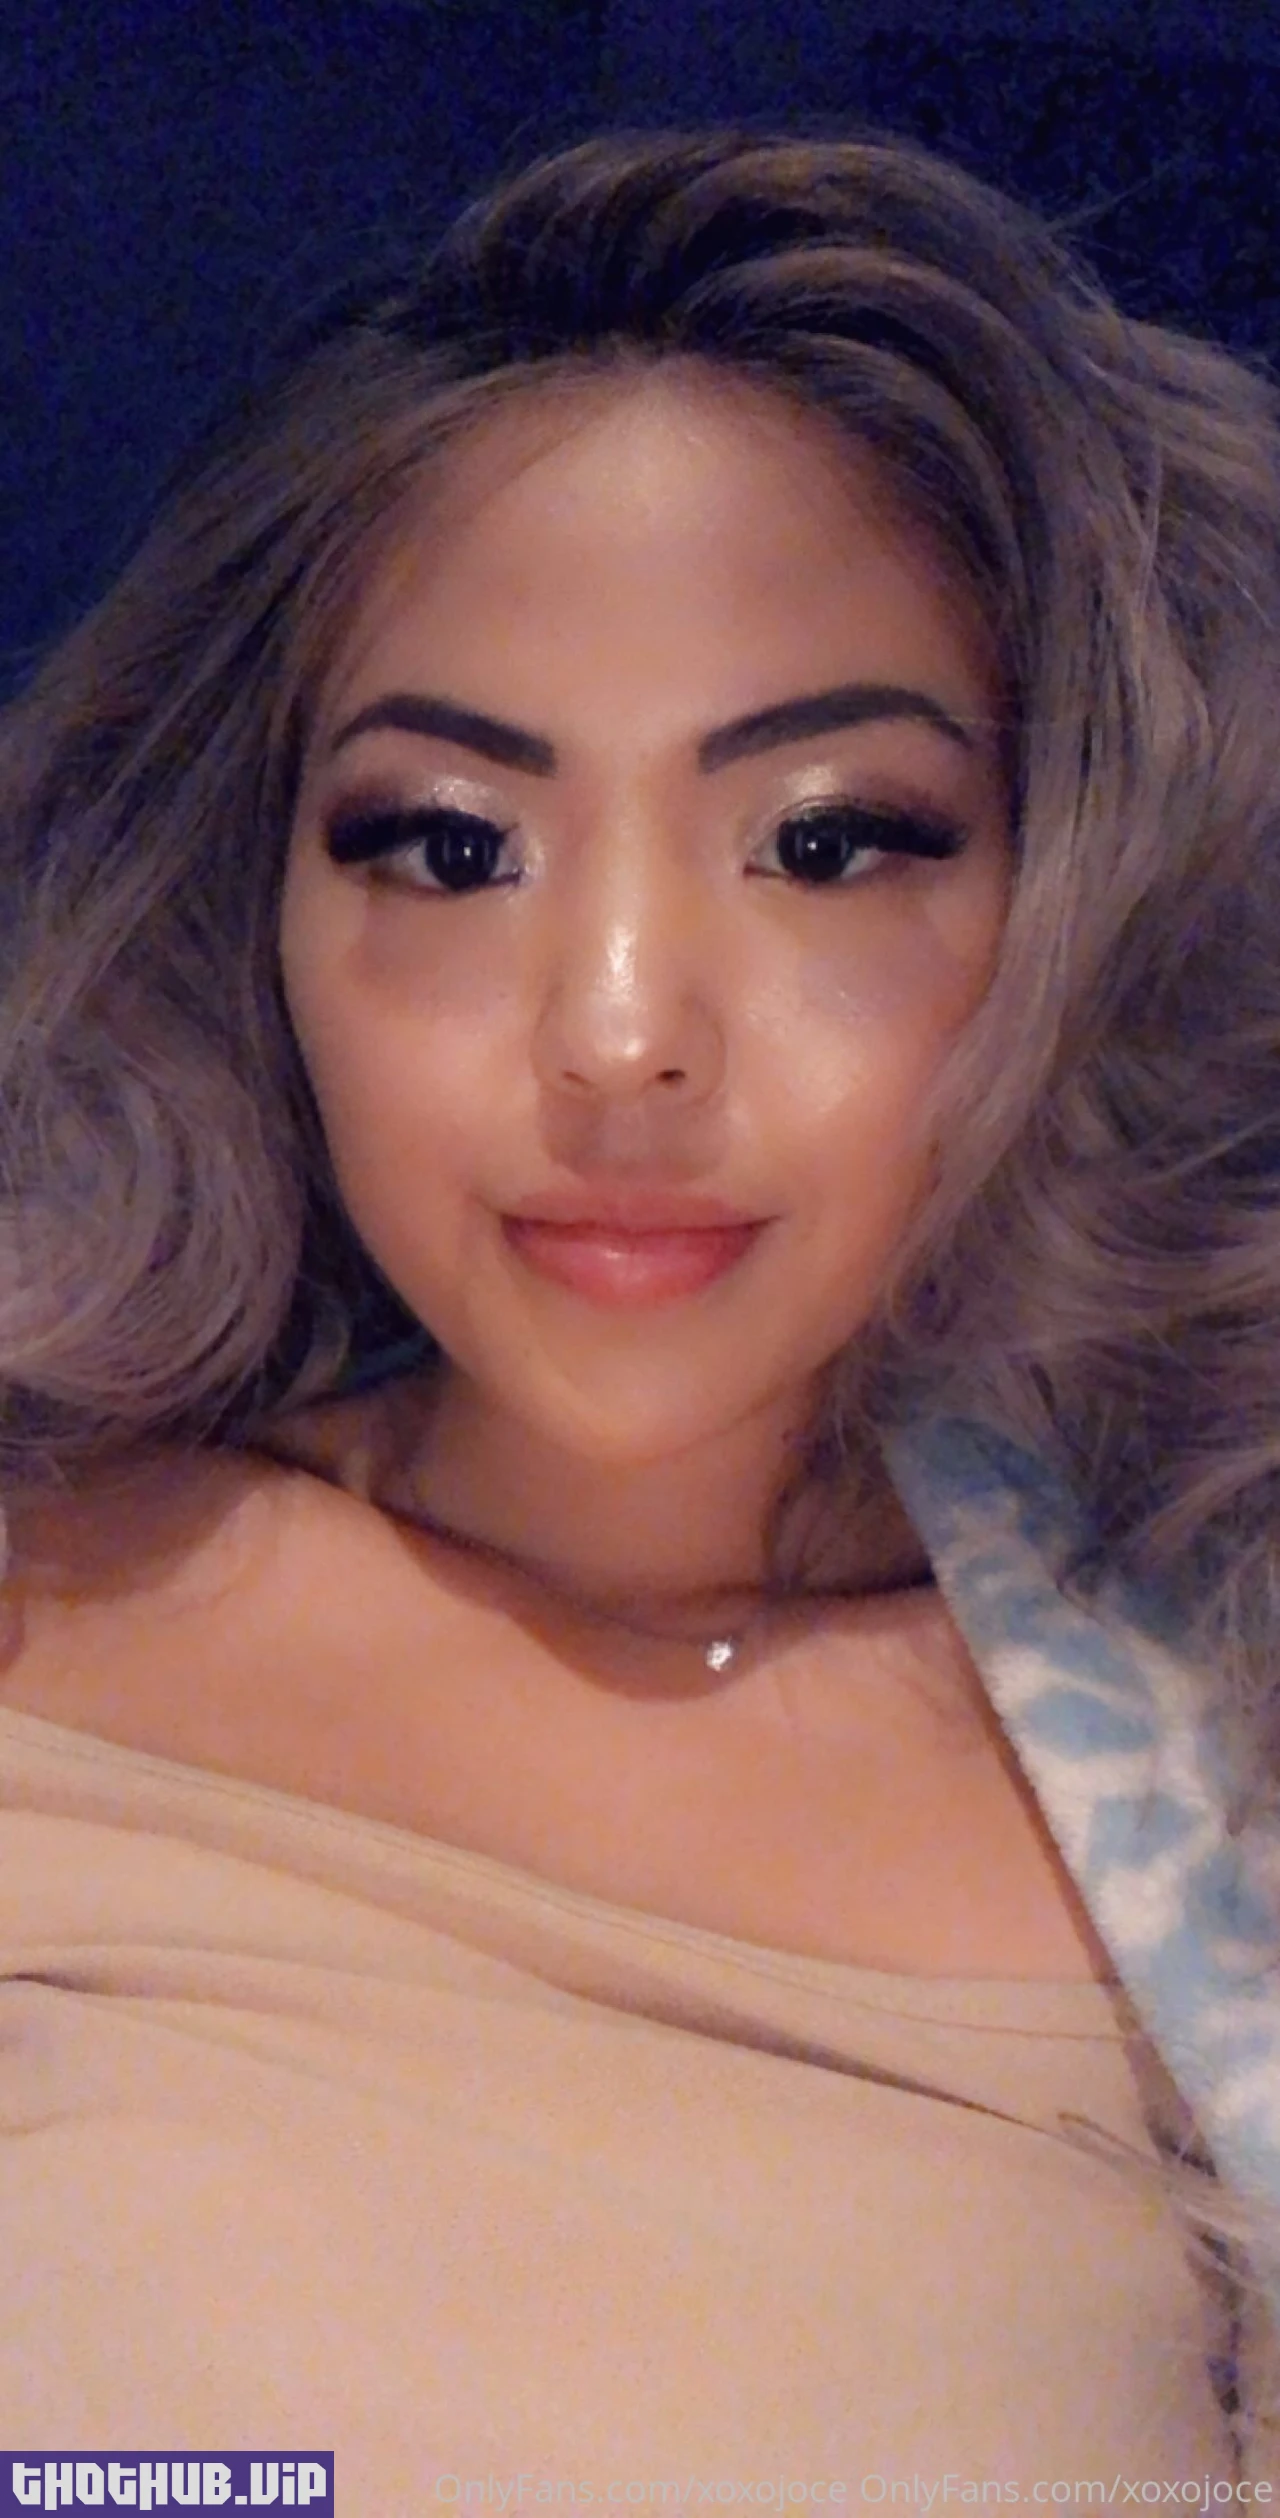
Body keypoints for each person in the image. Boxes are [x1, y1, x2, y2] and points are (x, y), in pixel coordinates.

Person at [0, 118, 1278, 2495]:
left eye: (826, 841)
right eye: (448, 845)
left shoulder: (1214, 1801)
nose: (615, 1033)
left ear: (1075, 902)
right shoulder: (39, 1613)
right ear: (256, 911)